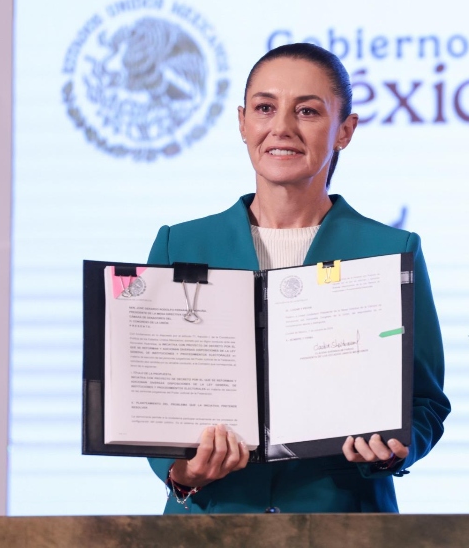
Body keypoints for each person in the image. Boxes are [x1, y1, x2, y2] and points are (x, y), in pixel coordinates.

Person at [145, 42, 450, 513]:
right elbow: (153, 397)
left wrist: (395, 447)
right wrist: (182, 471)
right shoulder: (179, 245)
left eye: (307, 111)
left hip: (344, 525)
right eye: (266, 108)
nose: (281, 128)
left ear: (345, 130)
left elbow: (426, 404)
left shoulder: (391, 251)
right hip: (211, 525)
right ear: (243, 122)